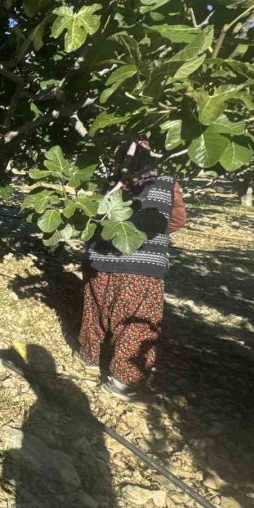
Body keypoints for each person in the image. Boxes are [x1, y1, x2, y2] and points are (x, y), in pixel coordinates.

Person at [76, 139, 187, 401]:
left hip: (101, 260)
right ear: (152, 158)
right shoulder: (168, 184)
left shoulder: (108, 186)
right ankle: (122, 381)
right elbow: (177, 221)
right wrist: (149, 232)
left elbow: (93, 218)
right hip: (143, 268)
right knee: (136, 323)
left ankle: (89, 358)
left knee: (96, 310)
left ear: (118, 160)